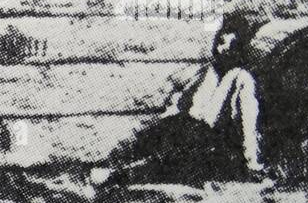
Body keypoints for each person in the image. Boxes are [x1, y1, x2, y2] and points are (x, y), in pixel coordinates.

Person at [99, 15, 265, 184]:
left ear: (239, 50)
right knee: (145, 140)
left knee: (158, 166)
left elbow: (249, 121)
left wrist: (254, 164)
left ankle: (115, 177)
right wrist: (162, 125)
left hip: (208, 140)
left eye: (231, 48)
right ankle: (108, 166)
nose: (223, 50)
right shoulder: (207, 71)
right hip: (183, 128)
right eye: (221, 43)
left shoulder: (242, 78)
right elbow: (179, 101)